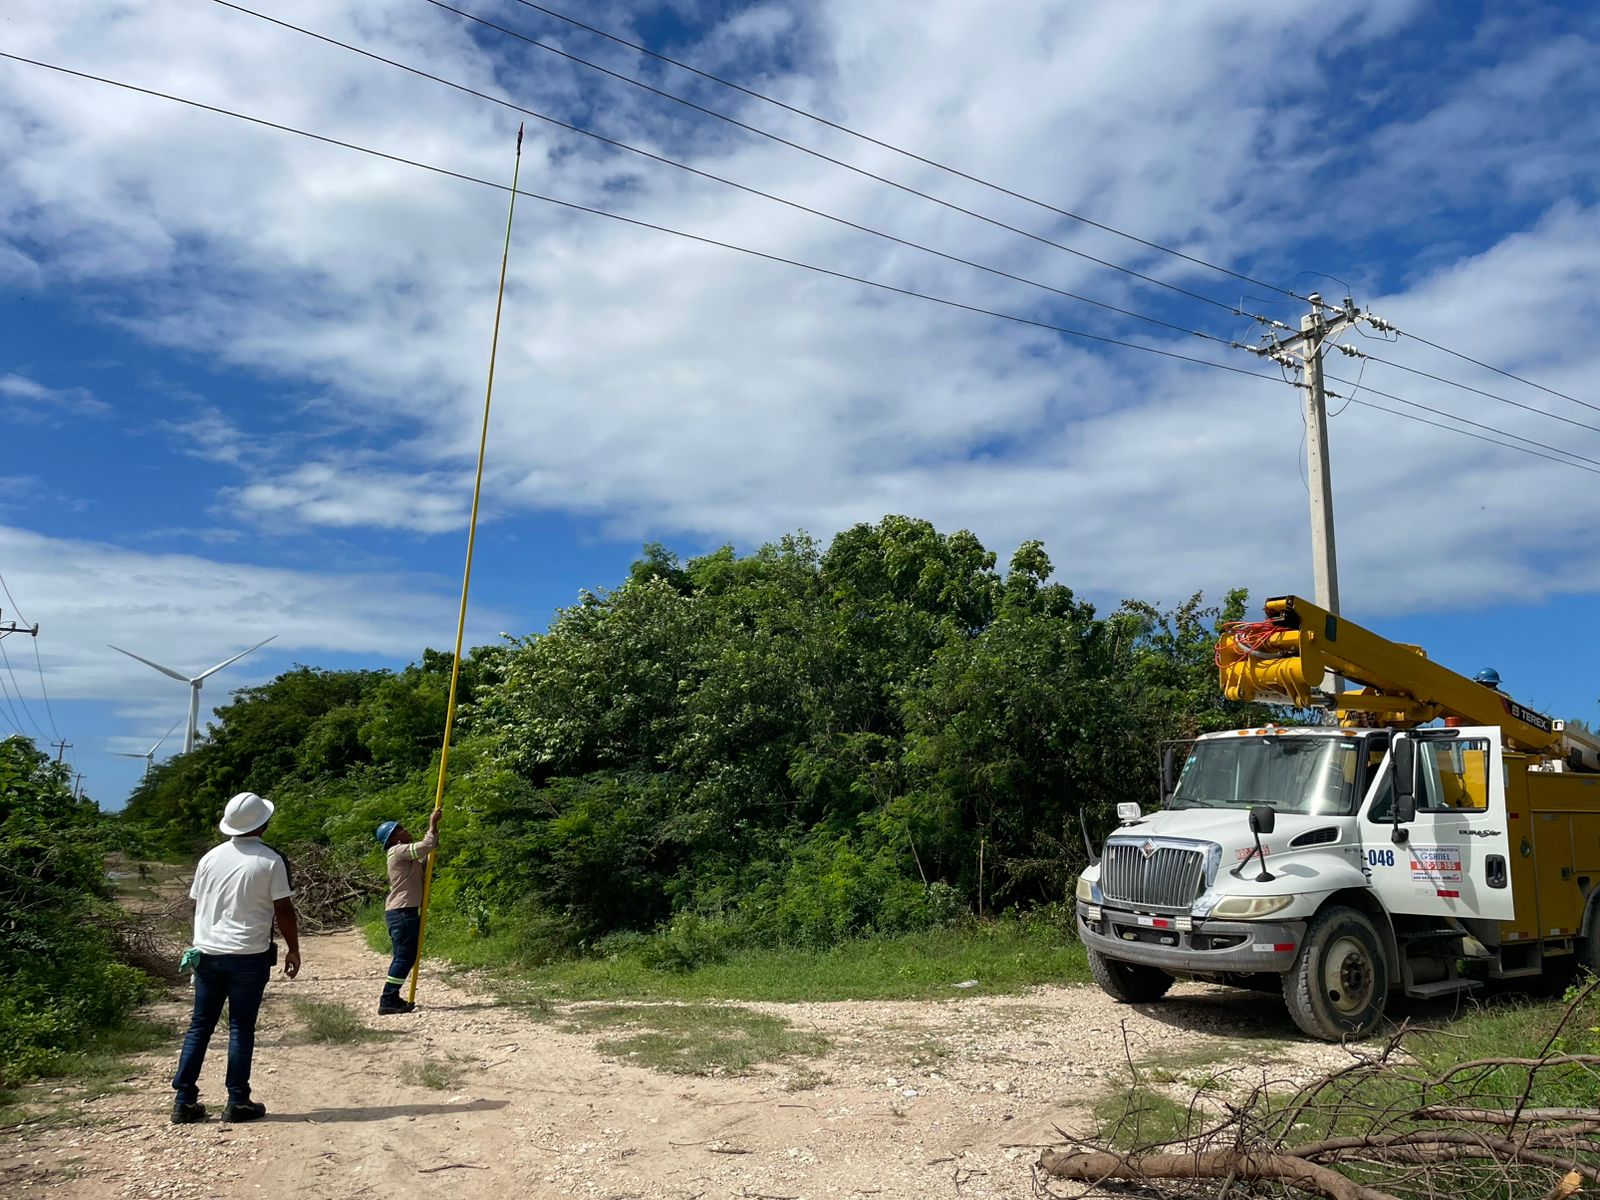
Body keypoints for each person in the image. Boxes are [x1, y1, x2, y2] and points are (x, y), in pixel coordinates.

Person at [171, 791, 301, 1125]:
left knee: (200, 1026)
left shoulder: (209, 858)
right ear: (264, 823)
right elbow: (283, 909)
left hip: (207, 953)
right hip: (248, 955)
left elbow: (198, 904)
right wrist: (293, 948)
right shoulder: (271, 860)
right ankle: (237, 1100)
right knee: (241, 1028)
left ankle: (184, 1100)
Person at [375, 807, 441, 1015]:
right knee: (404, 956)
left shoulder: (404, 856)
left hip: (405, 912)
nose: (405, 831)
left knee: (405, 956)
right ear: (394, 838)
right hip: (401, 912)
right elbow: (424, 847)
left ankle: (391, 998)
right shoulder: (397, 851)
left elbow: (424, 858)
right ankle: (388, 999)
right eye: (400, 830)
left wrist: (432, 848)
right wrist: (433, 825)